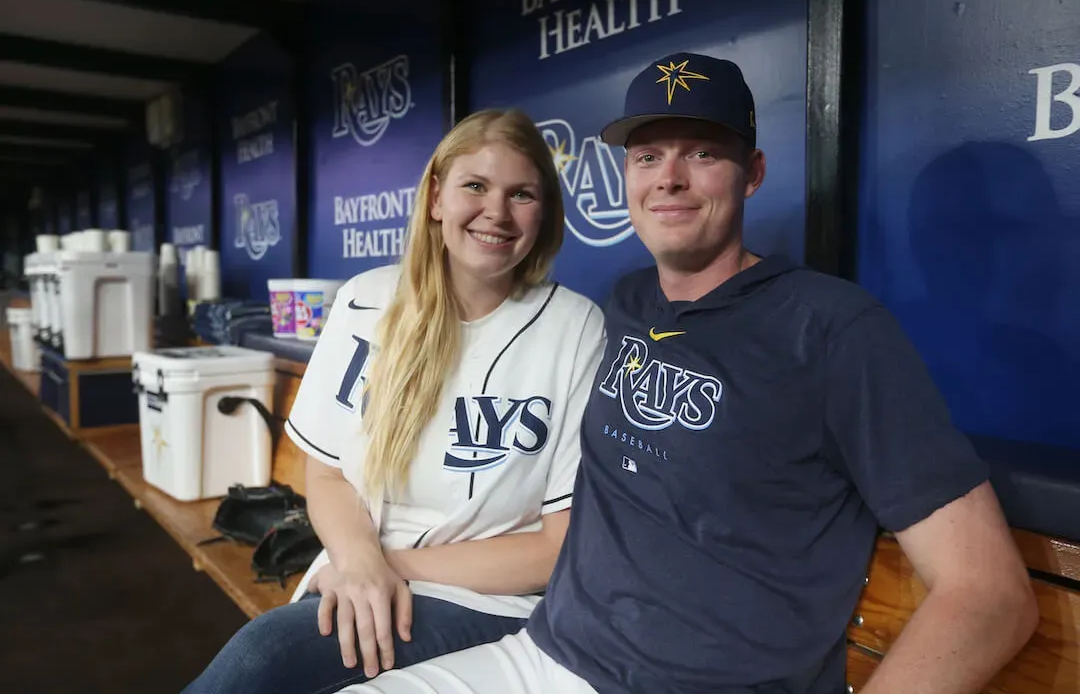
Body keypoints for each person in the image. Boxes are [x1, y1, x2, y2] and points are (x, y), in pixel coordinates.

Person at [329, 53, 1039, 694]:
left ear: (753, 172)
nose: (669, 177)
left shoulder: (832, 329)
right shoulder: (626, 303)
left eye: (702, 152)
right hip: (543, 655)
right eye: (647, 156)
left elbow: (989, 595)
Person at [182, 108, 607, 694]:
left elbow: (555, 549)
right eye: (475, 186)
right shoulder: (367, 300)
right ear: (435, 197)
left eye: (523, 194)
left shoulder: (576, 327)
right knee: (265, 660)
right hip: (357, 568)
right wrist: (359, 564)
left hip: (492, 600)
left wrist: (380, 570)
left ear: (545, 213)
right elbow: (327, 474)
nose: (497, 212)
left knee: (266, 658)